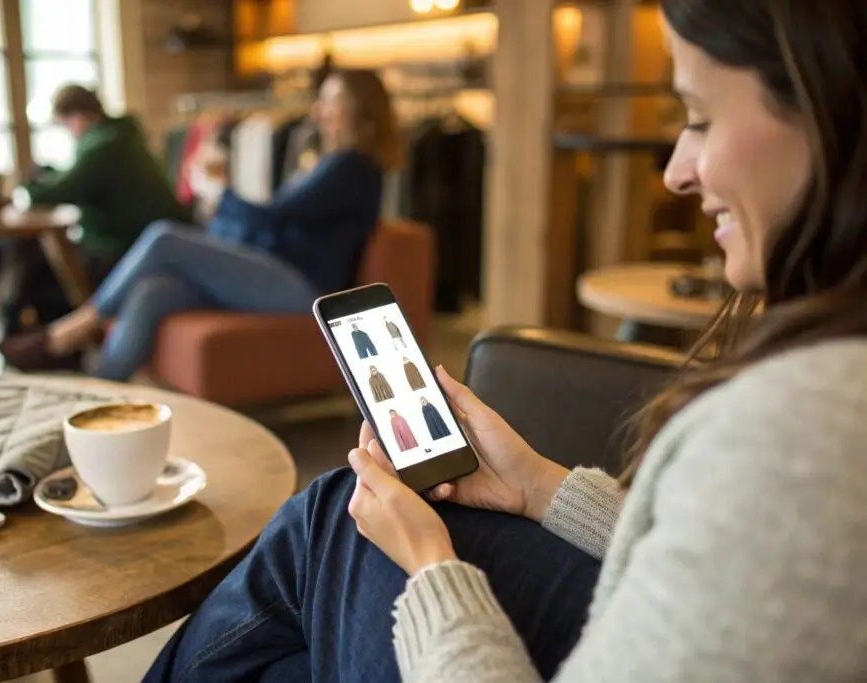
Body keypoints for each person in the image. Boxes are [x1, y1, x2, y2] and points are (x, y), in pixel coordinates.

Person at [142, 2, 867, 681]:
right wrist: (539, 485)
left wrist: (430, 564)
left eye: (701, 118)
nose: (675, 169)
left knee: (335, 514)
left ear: (827, 115)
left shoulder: (801, 435)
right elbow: (719, 568)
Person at [1, 69, 400, 381]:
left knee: (163, 236)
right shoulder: (333, 162)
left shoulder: (351, 166)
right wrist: (221, 205)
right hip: (278, 271)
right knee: (155, 289)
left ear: (358, 107)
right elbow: (277, 222)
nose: (319, 110)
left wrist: (221, 188)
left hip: (305, 288)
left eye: (331, 101)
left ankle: (72, 330)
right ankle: (104, 391)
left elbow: (273, 218)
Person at [2, 84, 187, 333]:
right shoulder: (118, 136)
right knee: (37, 260)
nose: (70, 133)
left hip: (125, 245)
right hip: (131, 239)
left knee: (40, 269)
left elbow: (66, 189)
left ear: (80, 116)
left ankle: (50, 345)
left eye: (66, 125)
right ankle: (45, 345)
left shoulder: (104, 145)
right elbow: (77, 180)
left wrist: (24, 190)